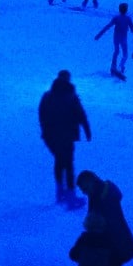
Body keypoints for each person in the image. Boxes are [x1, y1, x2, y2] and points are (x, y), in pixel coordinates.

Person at [76, 170, 133, 266]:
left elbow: (110, 223)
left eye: (84, 188)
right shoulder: (99, 193)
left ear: (90, 181)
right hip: (108, 243)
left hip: (108, 244)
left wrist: (94, 240)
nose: (83, 192)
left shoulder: (103, 195)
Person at [38, 70, 91, 207]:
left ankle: (60, 191)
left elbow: (42, 115)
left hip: (51, 138)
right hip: (67, 136)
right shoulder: (71, 97)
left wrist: (46, 132)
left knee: (59, 161)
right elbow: (81, 114)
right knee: (68, 164)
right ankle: (70, 196)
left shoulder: (47, 96)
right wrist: (87, 130)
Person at [95, 2, 133, 79]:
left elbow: (108, 26)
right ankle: (121, 67)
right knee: (125, 54)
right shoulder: (128, 18)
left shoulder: (116, 18)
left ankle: (113, 67)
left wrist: (99, 34)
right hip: (123, 38)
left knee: (116, 51)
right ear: (126, 10)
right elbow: (132, 28)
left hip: (116, 37)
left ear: (119, 9)